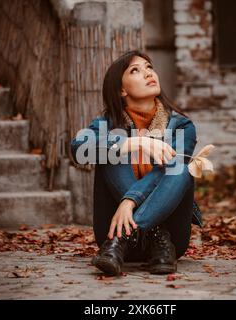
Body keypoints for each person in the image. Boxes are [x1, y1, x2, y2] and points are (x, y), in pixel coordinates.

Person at [70, 50, 203, 276]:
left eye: (149, 67)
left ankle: (129, 235)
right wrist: (135, 142)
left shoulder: (181, 127)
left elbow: (176, 171)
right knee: (111, 151)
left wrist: (130, 201)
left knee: (180, 166)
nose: (148, 73)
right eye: (136, 70)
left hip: (158, 245)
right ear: (122, 89)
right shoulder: (106, 124)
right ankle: (151, 233)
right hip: (116, 240)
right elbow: (78, 150)